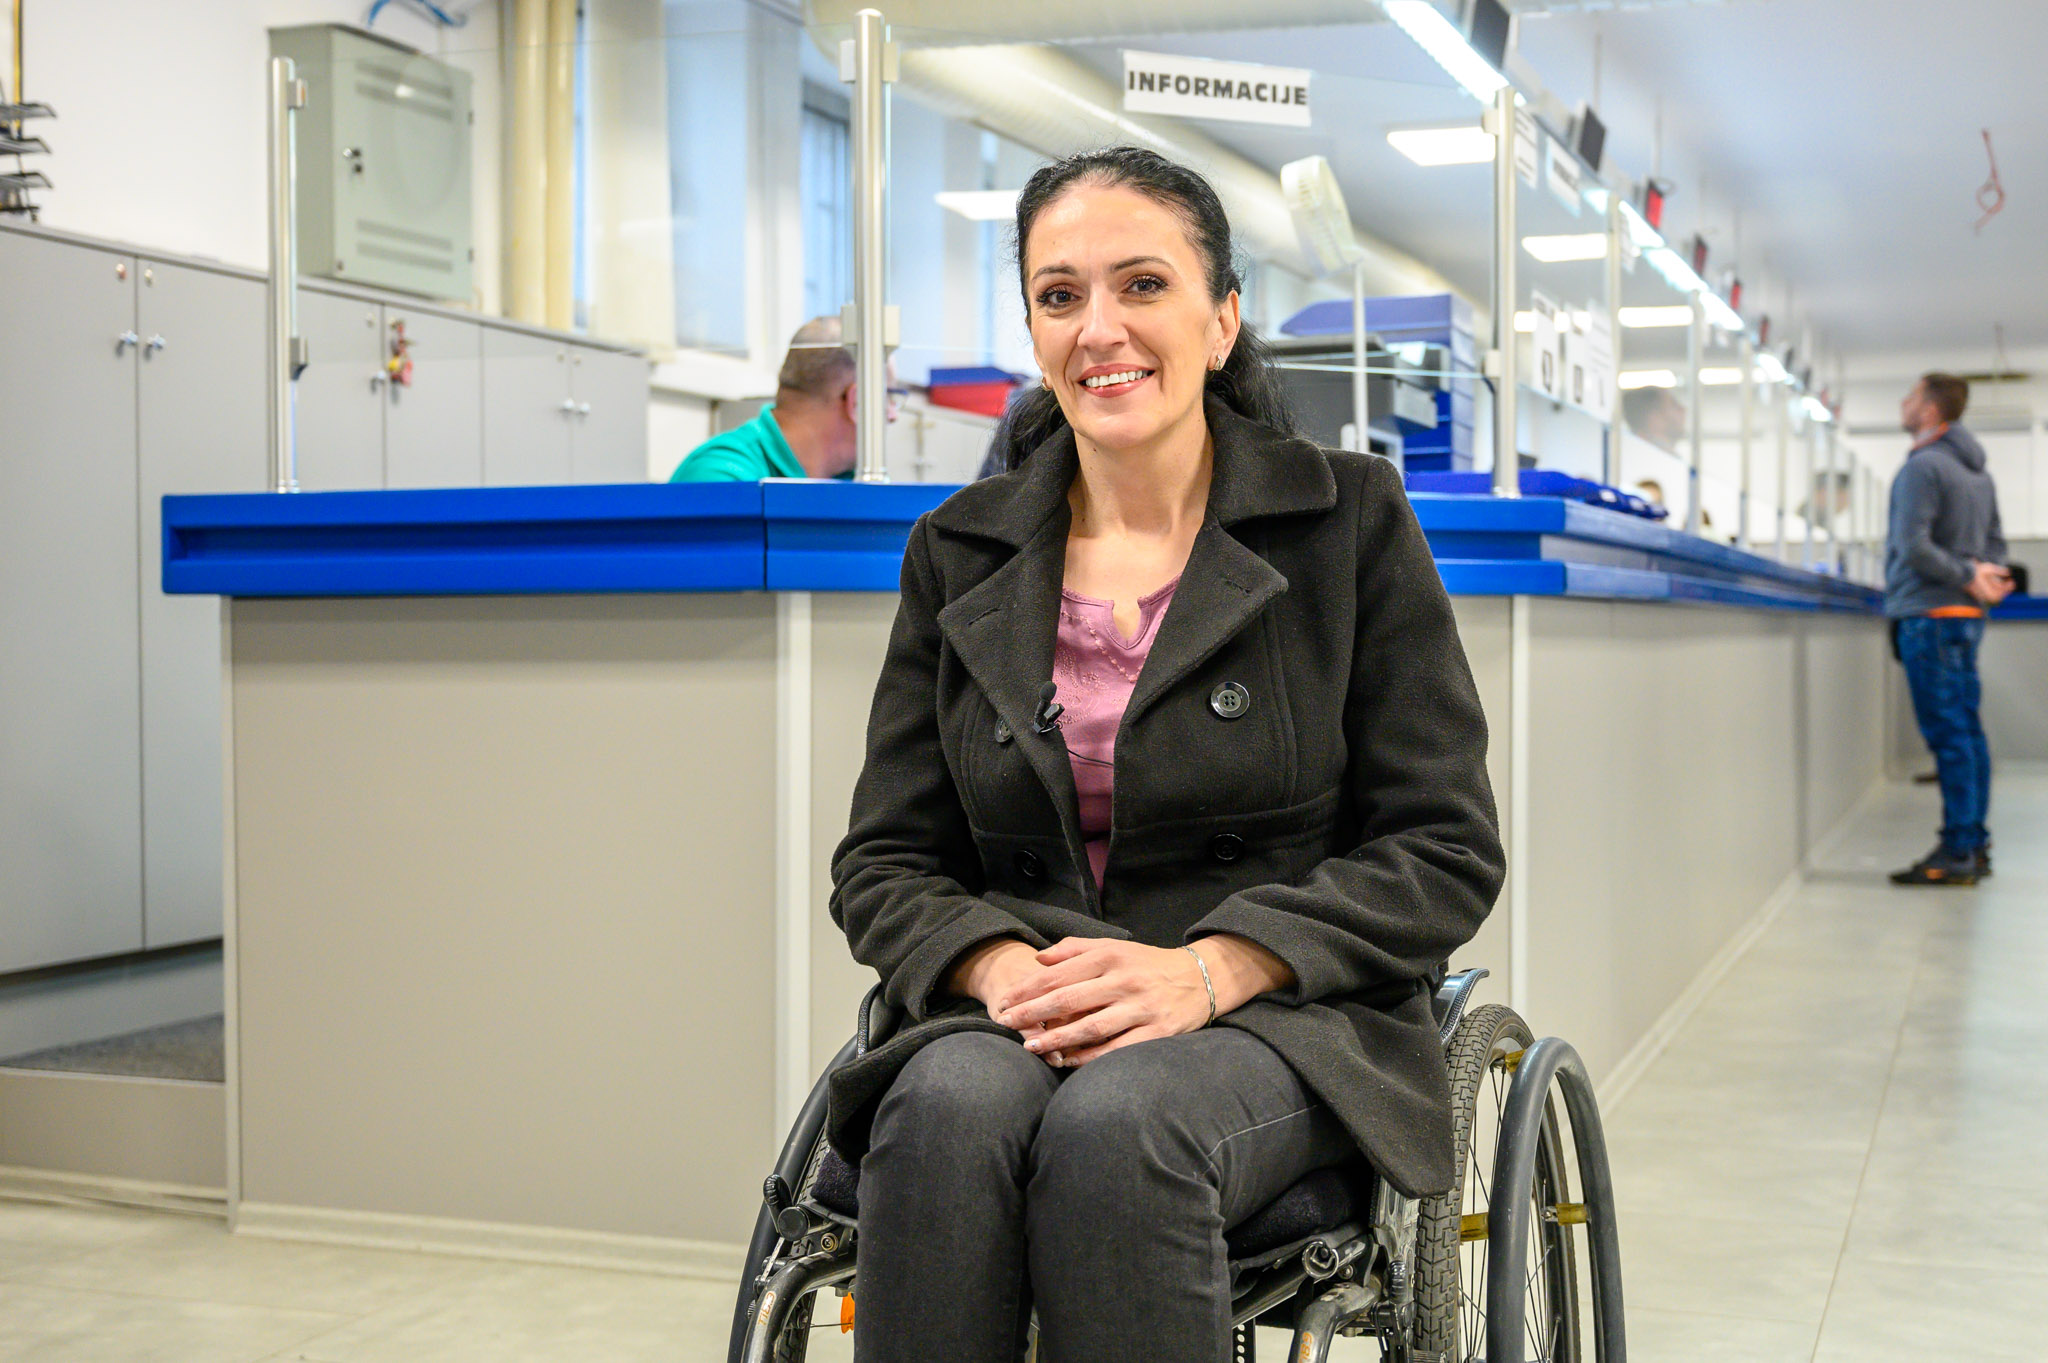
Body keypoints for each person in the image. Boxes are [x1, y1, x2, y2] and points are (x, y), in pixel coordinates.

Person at [825, 147, 1503, 1361]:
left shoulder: (1345, 521)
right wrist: (993, 968)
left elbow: (1441, 846)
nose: (1100, 329)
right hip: (1024, 1006)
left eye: (1142, 284)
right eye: (1059, 294)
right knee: (936, 1110)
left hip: (1281, 1014)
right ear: (1033, 328)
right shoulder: (958, 551)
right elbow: (883, 858)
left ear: (1221, 318)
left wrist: (1209, 968)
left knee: (1118, 1128)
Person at [1885, 371, 2012, 886]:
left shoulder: (1923, 467)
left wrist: (1962, 574)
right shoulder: (1978, 474)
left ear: (1931, 410)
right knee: (1967, 733)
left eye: (1912, 396)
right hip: (1965, 617)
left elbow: (1913, 545)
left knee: (1950, 738)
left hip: (1930, 615)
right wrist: (1982, 577)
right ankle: (1973, 845)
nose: (1904, 402)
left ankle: (1958, 851)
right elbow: (1996, 545)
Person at [666, 315, 898, 481]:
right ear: (856, 402)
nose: (893, 415)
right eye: (888, 397)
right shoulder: (722, 476)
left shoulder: (850, 482)